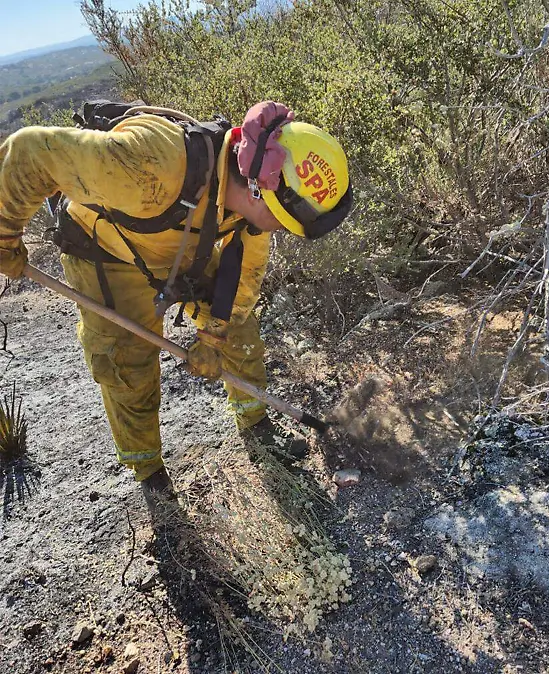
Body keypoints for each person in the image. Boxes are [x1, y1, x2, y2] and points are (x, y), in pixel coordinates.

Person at [0, 100, 354, 494]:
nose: (284, 230)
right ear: (258, 190)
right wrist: (3, 234)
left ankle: (256, 427)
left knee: (239, 324)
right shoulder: (151, 166)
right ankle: (151, 477)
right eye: (284, 222)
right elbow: (29, 153)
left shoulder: (253, 204)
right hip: (105, 252)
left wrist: (214, 334)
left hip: (183, 246)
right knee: (127, 364)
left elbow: (244, 279)